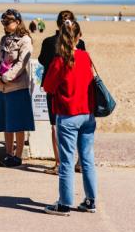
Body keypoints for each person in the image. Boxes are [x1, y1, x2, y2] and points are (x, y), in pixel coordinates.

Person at [42, 19, 97, 215]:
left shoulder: (59, 61)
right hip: (87, 113)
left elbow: (48, 87)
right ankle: (91, 200)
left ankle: (64, 203)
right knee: (87, 159)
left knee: (66, 161)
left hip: (67, 114)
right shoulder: (85, 56)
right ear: (79, 36)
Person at [38, 11, 86, 175]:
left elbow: (42, 61)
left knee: (55, 126)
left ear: (58, 24)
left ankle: (59, 163)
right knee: (80, 125)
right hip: (78, 90)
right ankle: (80, 161)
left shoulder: (49, 42)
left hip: (56, 90)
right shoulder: (80, 44)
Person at [0, 9, 35, 167]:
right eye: (3, 21)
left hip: (17, 87)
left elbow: (22, 63)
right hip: (1, 87)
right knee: (6, 122)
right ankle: (8, 153)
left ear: (17, 22)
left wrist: (5, 77)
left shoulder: (25, 40)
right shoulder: (4, 39)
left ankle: (17, 156)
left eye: (8, 21)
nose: (5, 24)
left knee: (17, 123)